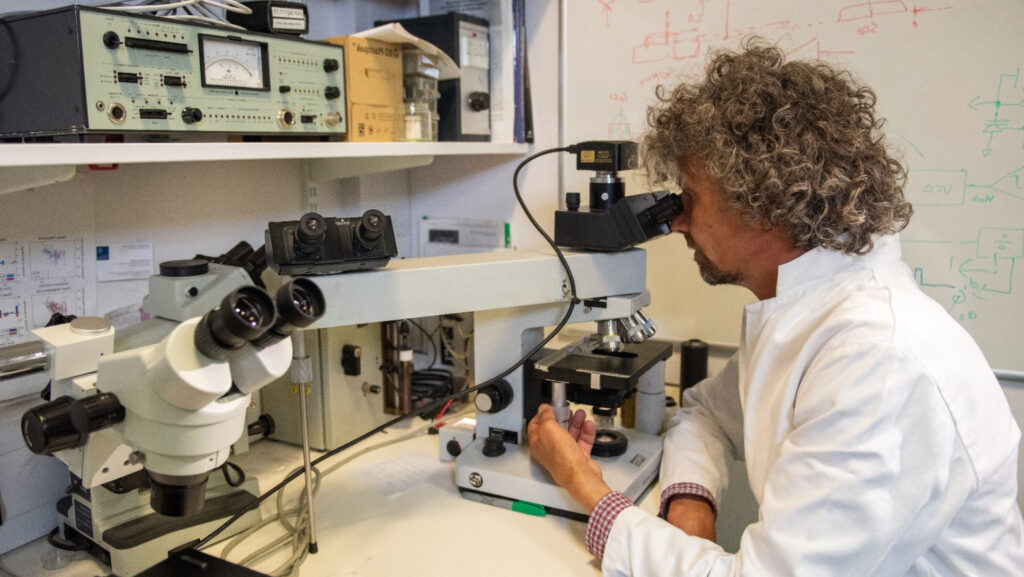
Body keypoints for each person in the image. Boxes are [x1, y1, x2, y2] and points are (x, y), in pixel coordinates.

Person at [527, 38, 1024, 576]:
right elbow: (707, 412)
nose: (676, 223)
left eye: (690, 200)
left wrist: (585, 487)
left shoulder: (878, 360)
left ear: (764, 208)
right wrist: (689, 501)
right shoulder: (810, 311)